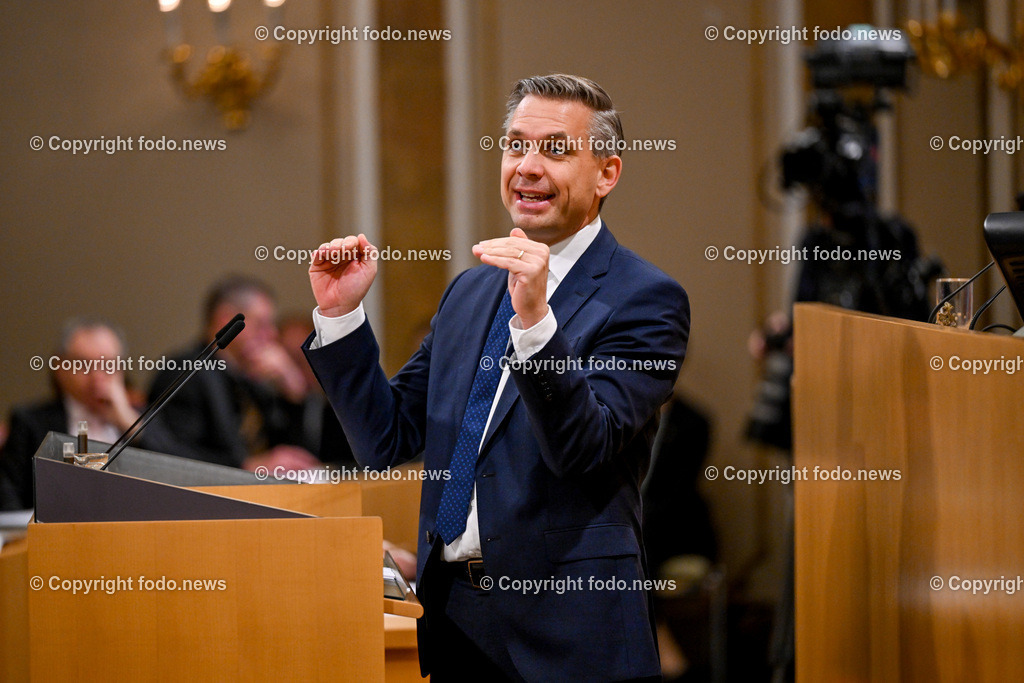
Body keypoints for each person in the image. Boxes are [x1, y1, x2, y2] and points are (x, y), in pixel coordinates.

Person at [303, 74, 689, 681]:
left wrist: (535, 320)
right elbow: (386, 440)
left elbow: (581, 448)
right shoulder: (471, 289)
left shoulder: (646, 300)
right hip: (454, 619)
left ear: (607, 174)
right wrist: (341, 316)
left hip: (570, 637)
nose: (527, 167)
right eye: (515, 145)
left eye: (556, 150)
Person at [149, 275, 321, 473]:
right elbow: (172, 457)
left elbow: (296, 458)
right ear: (227, 320)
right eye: (261, 324)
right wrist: (246, 467)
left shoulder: (250, 381)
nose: (272, 334)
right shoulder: (184, 371)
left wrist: (293, 390)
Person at [0, 318, 176, 510]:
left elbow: (178, 472)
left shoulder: (142, 417)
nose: (97, 376)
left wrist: (128, 422)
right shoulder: (29, 421)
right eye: (83, 364)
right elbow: (8, 493)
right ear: (60, 368)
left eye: (108, 364)